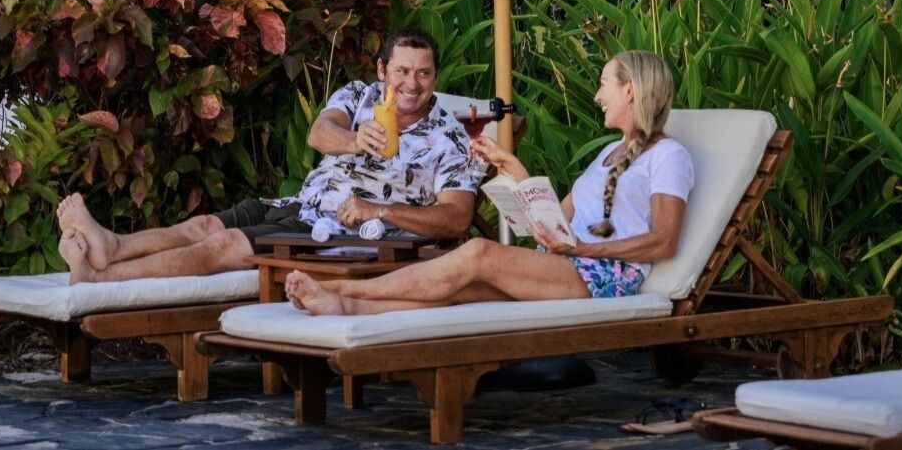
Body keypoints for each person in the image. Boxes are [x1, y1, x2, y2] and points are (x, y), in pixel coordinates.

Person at [55, 28, 482, 283]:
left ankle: (101, 277)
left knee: (223, 245)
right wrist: (354, 141)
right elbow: (319, 133)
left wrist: (380, 210)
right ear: (382, 70)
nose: (412, 84)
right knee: (204, 225)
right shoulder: (360, 95)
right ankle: (114, 245)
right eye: (402, 71)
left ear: (434, 76)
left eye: (423, 73)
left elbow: (457, 218)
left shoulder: (450, 137)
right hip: (300, 204)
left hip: (335, 231)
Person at [285, 50, 693, 315]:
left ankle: (341, 288)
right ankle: (346, 307)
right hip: (567, 262)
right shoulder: (608, 153)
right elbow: (553, 217)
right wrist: (510, 166)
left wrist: (583, 249)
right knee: (460, 289)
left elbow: (664, 241)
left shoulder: (668, 155)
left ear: (630, 90)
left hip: (603, 275)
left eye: (604, 85)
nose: (598, 96)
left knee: (479, 252)